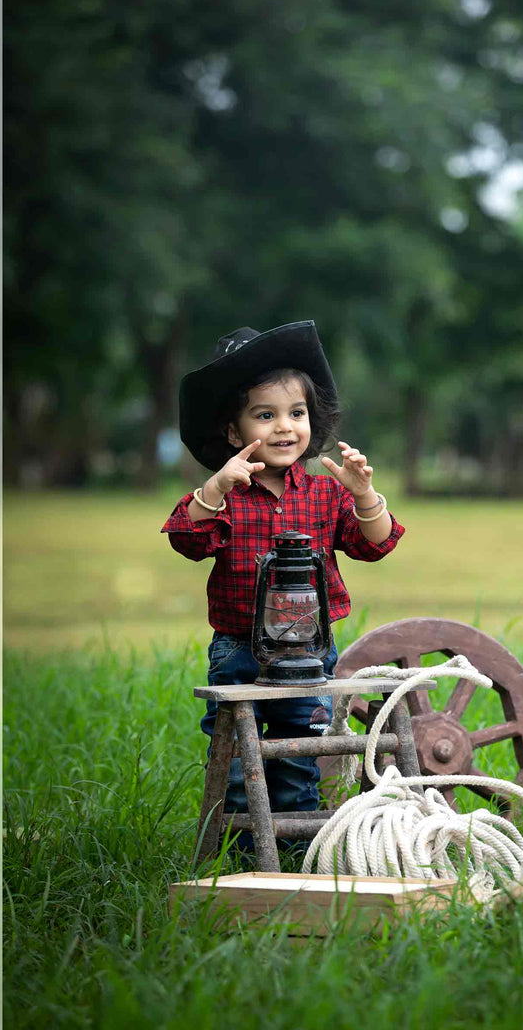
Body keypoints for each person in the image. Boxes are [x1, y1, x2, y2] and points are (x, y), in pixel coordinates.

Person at [162, 320, 404, 828]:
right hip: (238, 648)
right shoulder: (225, 496)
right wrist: (214, 489)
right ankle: (238, 850)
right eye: (264, 415)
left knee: (298, 749)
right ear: (234, 432)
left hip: (310, 649)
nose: (284, 427)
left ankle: (292, 846)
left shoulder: (324, 493)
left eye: (296, 413)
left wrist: (363, 494)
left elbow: (375, 543)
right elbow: (187, 539)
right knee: (233, 756)